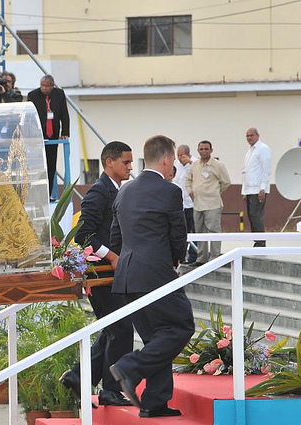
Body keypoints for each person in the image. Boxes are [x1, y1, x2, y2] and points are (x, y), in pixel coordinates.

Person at [108, 135, 195, 418]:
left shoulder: (124, 190)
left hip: (127, 276)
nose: (173, 170)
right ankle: (128, 368)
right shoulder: (169, 191)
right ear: (167, 159)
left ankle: (154, 402)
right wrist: (174, 262)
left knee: (157, 338)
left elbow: (115, 237)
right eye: (172, 164)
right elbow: (177, 236)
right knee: (181, 327)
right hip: (156, 273)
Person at [60, 141, 134, 407]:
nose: (130, 167)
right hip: (100, 273)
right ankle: (110, 390)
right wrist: (112, 256)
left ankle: (80, 376)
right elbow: (83, 235)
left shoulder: (117, 191)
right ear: (109, 162)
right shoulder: (98, 192)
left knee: (113, 329)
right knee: (121, 327)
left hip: (113, 273)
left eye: (130, 162)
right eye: (125, 162)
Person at [185, 141, 231, 266]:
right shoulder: (194, 165)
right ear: (198, 150)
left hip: (213, 204)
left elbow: (226, 182)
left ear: (211, 150)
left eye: (206, 149)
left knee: (214, 230)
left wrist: (215, 192)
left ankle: (215, 257)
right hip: (198, 204)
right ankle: (201, 259)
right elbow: (188, 179)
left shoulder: (218, 165)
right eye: (201, 149)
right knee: (200, 232)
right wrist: (190, 191)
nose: (204, 151)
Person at [28, 75, 70, 198]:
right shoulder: (33, 95)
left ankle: (48, 193)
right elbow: (29, 117)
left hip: (53, 134)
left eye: (47, 86)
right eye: (42, 85)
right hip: (38, 134)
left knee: (51, 164)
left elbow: (64, 115)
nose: (44, 88)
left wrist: (65, 132)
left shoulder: (59, 94)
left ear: (52, 86)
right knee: (40, 165)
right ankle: (38, 194)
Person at [242, 127, 272, 247]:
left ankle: (260, 241)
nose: (249, 138)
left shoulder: (263, 149)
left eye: (251, 135)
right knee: (251, 215)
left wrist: (263, 188)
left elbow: (266, 170)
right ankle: (256, 240)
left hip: (258, 189)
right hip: (250, 189)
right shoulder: (250, 151)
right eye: (247, 136)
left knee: (256, 215)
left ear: (257, 135)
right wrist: (244, 191)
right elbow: (246, 171)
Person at [174, 144, 198, 264]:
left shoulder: (195, 163)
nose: (179, 158)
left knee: (194, 230)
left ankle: (194, 256)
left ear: (188, 154)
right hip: (181, 204)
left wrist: (190, 161)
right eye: (178, 155)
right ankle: (182, 257)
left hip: (192, 204)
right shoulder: (177, 166)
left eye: (182, 155)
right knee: (182, 231)